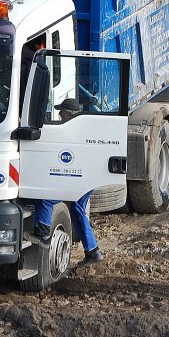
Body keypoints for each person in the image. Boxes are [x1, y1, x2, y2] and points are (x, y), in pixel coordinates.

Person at [32, 96, 102, 268]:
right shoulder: (81, 128)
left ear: (69, 114)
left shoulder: (72, 131)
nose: (59, 116)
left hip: (82, 179)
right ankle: (93, 251)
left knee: (46, 198)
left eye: (62, 113)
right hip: (86, 177)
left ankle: (42, 234)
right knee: (78, 209)